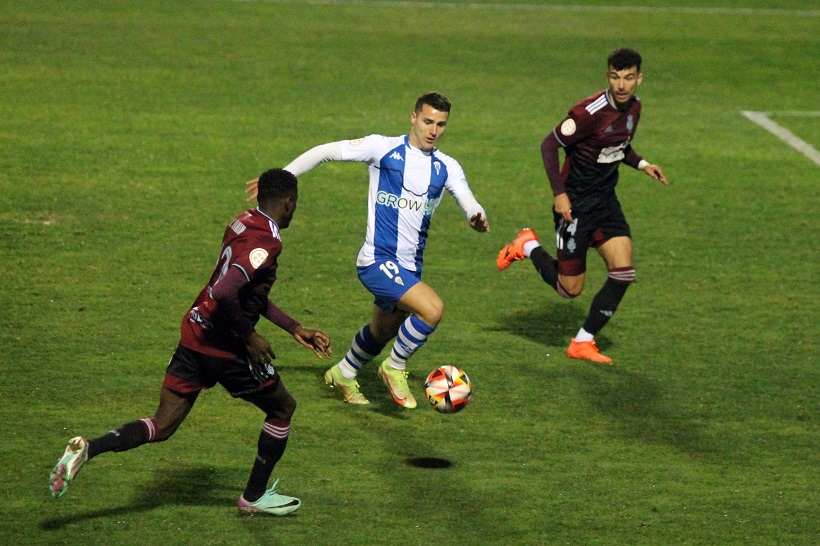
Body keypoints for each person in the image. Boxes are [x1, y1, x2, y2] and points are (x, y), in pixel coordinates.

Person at [49, 168, 332, 516]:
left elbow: (243, 292)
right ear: (288, 203)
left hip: (196, 332)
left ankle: (89, 449)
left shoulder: (242, 221)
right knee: (282, 408)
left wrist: (293, 327)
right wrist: (250, 336)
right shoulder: (268, 241)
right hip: (226, 347)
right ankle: (253, 498)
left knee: (162, 425)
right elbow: (226, 290)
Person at [247, 92, 490, 408]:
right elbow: (326, 151)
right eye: (428, 121)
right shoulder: (384, 148)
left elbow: (466, 197)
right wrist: (282, 177)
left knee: (381, 332)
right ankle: (395, 367)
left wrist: (475, 214)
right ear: (414, 118)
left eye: (441, 124)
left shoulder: (447, 166)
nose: (434, 130)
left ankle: (344, 372)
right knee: (432, 310)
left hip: (409, 267)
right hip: (376, 260)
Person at [497, 48, 669, 364]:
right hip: (573, 207)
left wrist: (642, 163)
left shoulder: (635, 108)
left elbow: (619, 145)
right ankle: (529, 244)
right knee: (569, 290)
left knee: (623, 273)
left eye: (629, 78)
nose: (622, 85)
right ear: (608, 77)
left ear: (639, 79)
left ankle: (582, 342)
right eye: (616, 77)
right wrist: (559, 194)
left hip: (605, 203)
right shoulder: (588, 113)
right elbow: (549, 145)